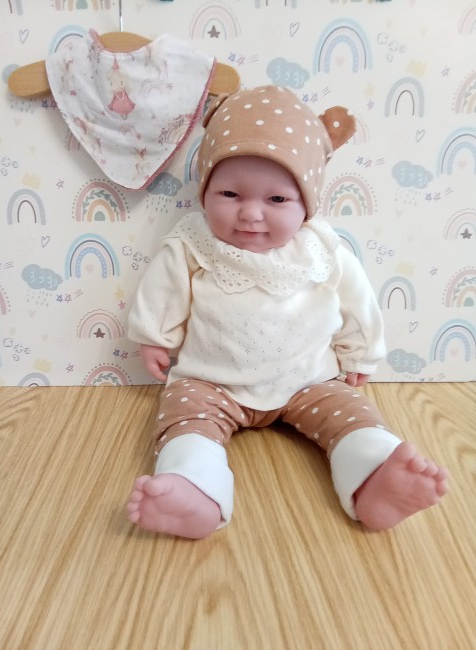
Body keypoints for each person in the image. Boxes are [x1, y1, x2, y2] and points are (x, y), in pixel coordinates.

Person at [126, 85, 448, 539]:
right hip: (211, 383)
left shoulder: (322, 247)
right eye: (230, 193)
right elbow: (165, 288)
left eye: (276, 200)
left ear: (306, 203)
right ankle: (193, 488)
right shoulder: (194, 241)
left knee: (352, 415)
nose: (250, 214)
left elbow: (357, 300)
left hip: (310, 380)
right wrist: (154, 335)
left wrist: (361, 353)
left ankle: (375, 475)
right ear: (205, 190)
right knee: (184, 422)